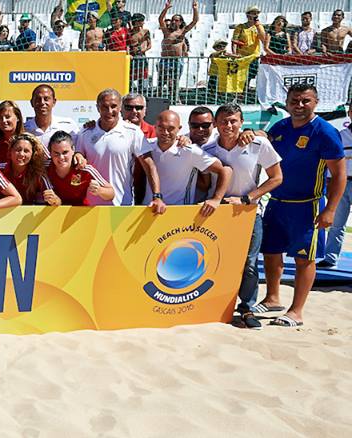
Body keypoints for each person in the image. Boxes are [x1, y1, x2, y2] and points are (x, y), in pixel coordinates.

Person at [259, 84, 346, 327]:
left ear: (315, 102)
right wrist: (255, 134)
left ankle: (296, 311)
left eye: (305, 101)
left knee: (304, 259)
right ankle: (272, 298)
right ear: (286, 103)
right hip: (277, 201)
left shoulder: (325, 131)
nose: (299, 105)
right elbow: (265, 148)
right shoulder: (280, 127)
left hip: (307, 205)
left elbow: (338, 174)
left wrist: (330, 209)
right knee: (271, 252)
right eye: (294, 101)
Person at [202, 103, 283, 329]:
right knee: (214, 260)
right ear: (216, 124)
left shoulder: (258, 144)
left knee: (248, 263)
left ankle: (246, 308)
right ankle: (213, 307)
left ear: (241, 122)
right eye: (224, 121)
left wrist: (248, 198)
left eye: (233, 121)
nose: (229, 125)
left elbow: (277, 178)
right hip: (216, 214)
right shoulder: (208, 149)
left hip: (248, 212)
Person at [76, 89, 163, 211]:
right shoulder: (85, 133)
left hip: (122, 205)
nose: (109, 111)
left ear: (120, 107)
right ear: (97, 108)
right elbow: (78, 157)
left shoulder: (133, 132)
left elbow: (149, 164)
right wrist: (78, 155)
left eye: (113, 106)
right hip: (90, 206)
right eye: (104, 107)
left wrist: (157, 196)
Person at [143, 111, 231, 215]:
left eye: (170, 128)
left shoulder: (189, 150)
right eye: (161, 127)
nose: (165, 132)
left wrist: (216, 199)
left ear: (179, 129)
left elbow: (225, 170)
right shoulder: (146, 146)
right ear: (155, 127)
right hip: (147, 210)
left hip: (179, 213)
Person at [320, 105, 352, 269]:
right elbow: (332, 162)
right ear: (350, 113)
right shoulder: (340, 136)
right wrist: (329, 182)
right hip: (344, 183)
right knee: (337, 223)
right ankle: (330, 258)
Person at [46, 131, 113, 206]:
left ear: (73, 150)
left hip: (79, 213)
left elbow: (111, 194)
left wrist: (100, 190)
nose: (61, 157)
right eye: (56, 153)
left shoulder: (85, 169)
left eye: (65, 152)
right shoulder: (44, 168)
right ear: (50, 152)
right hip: (53, 214)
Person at [158, 0, 199, 102]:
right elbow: (160, 19)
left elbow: (194, 21)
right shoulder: (166, 32)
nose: (173, 22)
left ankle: (175, 99)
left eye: (176, 20)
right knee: (161, 81)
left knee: (174, 82)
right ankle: (158, 100)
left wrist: (195, 9)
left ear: (180, 22)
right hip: (165, 60)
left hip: (176, 61)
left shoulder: (182, 32)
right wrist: (166, 9)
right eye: (173, 20)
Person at [0, 133, 55, 205]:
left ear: (33, 155)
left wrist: (54, 200)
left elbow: (53, 200)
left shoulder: (39, 175)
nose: (21, 154)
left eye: (26, 151)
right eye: (18, 150)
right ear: (10, 151)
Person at [232, 5, 267, 90]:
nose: (255, 15)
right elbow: (234, 41)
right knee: (242, 76)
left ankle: (246, 92)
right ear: (248, 15)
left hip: (254, 56)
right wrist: (234, 54)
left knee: (251, 75)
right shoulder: (240, 27)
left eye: (256, 13)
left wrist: (258, 26)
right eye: (253, 13)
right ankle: (242, 93)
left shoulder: (258, 26)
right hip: (242, 56)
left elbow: (263, 39)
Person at [128, 14, 151, 92]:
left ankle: (141, 93)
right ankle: (129, 92)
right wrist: (128, 54)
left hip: (141, 56)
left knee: (142, 76)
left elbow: (149, 45)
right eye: (141, 21)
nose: (143, 22)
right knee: (129, 77)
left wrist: (143, 50)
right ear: (136, 21)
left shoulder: (145, 32)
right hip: (132, 57)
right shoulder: (129, 32)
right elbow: (127, 45)